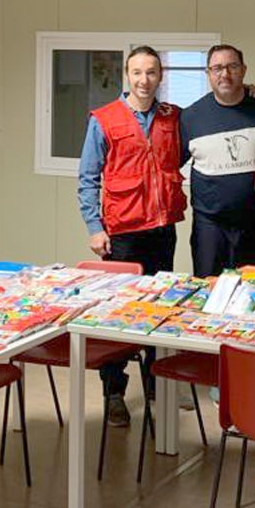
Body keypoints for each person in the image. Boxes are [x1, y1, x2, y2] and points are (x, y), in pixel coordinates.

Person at [77, 46, 185, 426]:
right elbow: (88, 179)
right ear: (127, 75)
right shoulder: (104, 119)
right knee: (120, 315)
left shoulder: (173, 118)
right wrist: (95, 227)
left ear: (160, 76)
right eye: (137, 73)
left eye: (151, 72)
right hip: (122, 233)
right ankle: (114, 392)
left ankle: (157, 382)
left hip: (162, 229)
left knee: (161, 310)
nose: (144, 80)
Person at [179, 45, 255, 276]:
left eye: (232, 66)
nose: (225, 74)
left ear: (244, 70)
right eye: (217, 68)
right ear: (208, 73)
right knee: (208, 293)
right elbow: (166, 163)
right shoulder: (190, 117)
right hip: (210, 227)